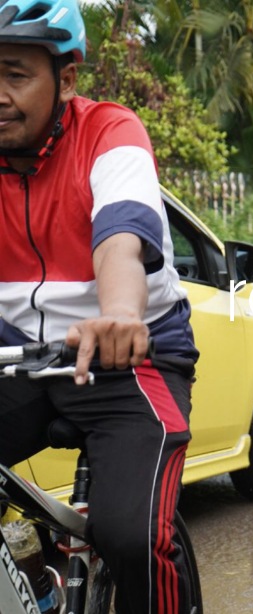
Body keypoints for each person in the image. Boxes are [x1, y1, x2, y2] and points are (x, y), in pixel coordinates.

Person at [0, 2, 199, 611]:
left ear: (66, 78)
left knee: (130, 535)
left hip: (126, 355)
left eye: (14, 74)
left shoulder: (110, 134)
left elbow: (121, 235)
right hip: (18, 355)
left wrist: (120, 313)